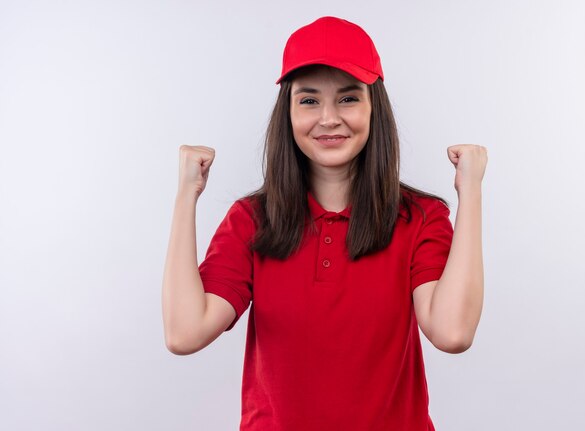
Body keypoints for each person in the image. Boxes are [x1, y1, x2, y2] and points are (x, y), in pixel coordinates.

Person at [162, 16, 487, 431]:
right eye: (310, 100)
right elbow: (184, 333)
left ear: (374, 108)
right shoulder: (251, 222)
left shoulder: (419, 217)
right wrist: (185, 196)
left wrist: (471, 192)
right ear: (289, 111)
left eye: (349, 99)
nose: (329, 118)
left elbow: (452, 332)